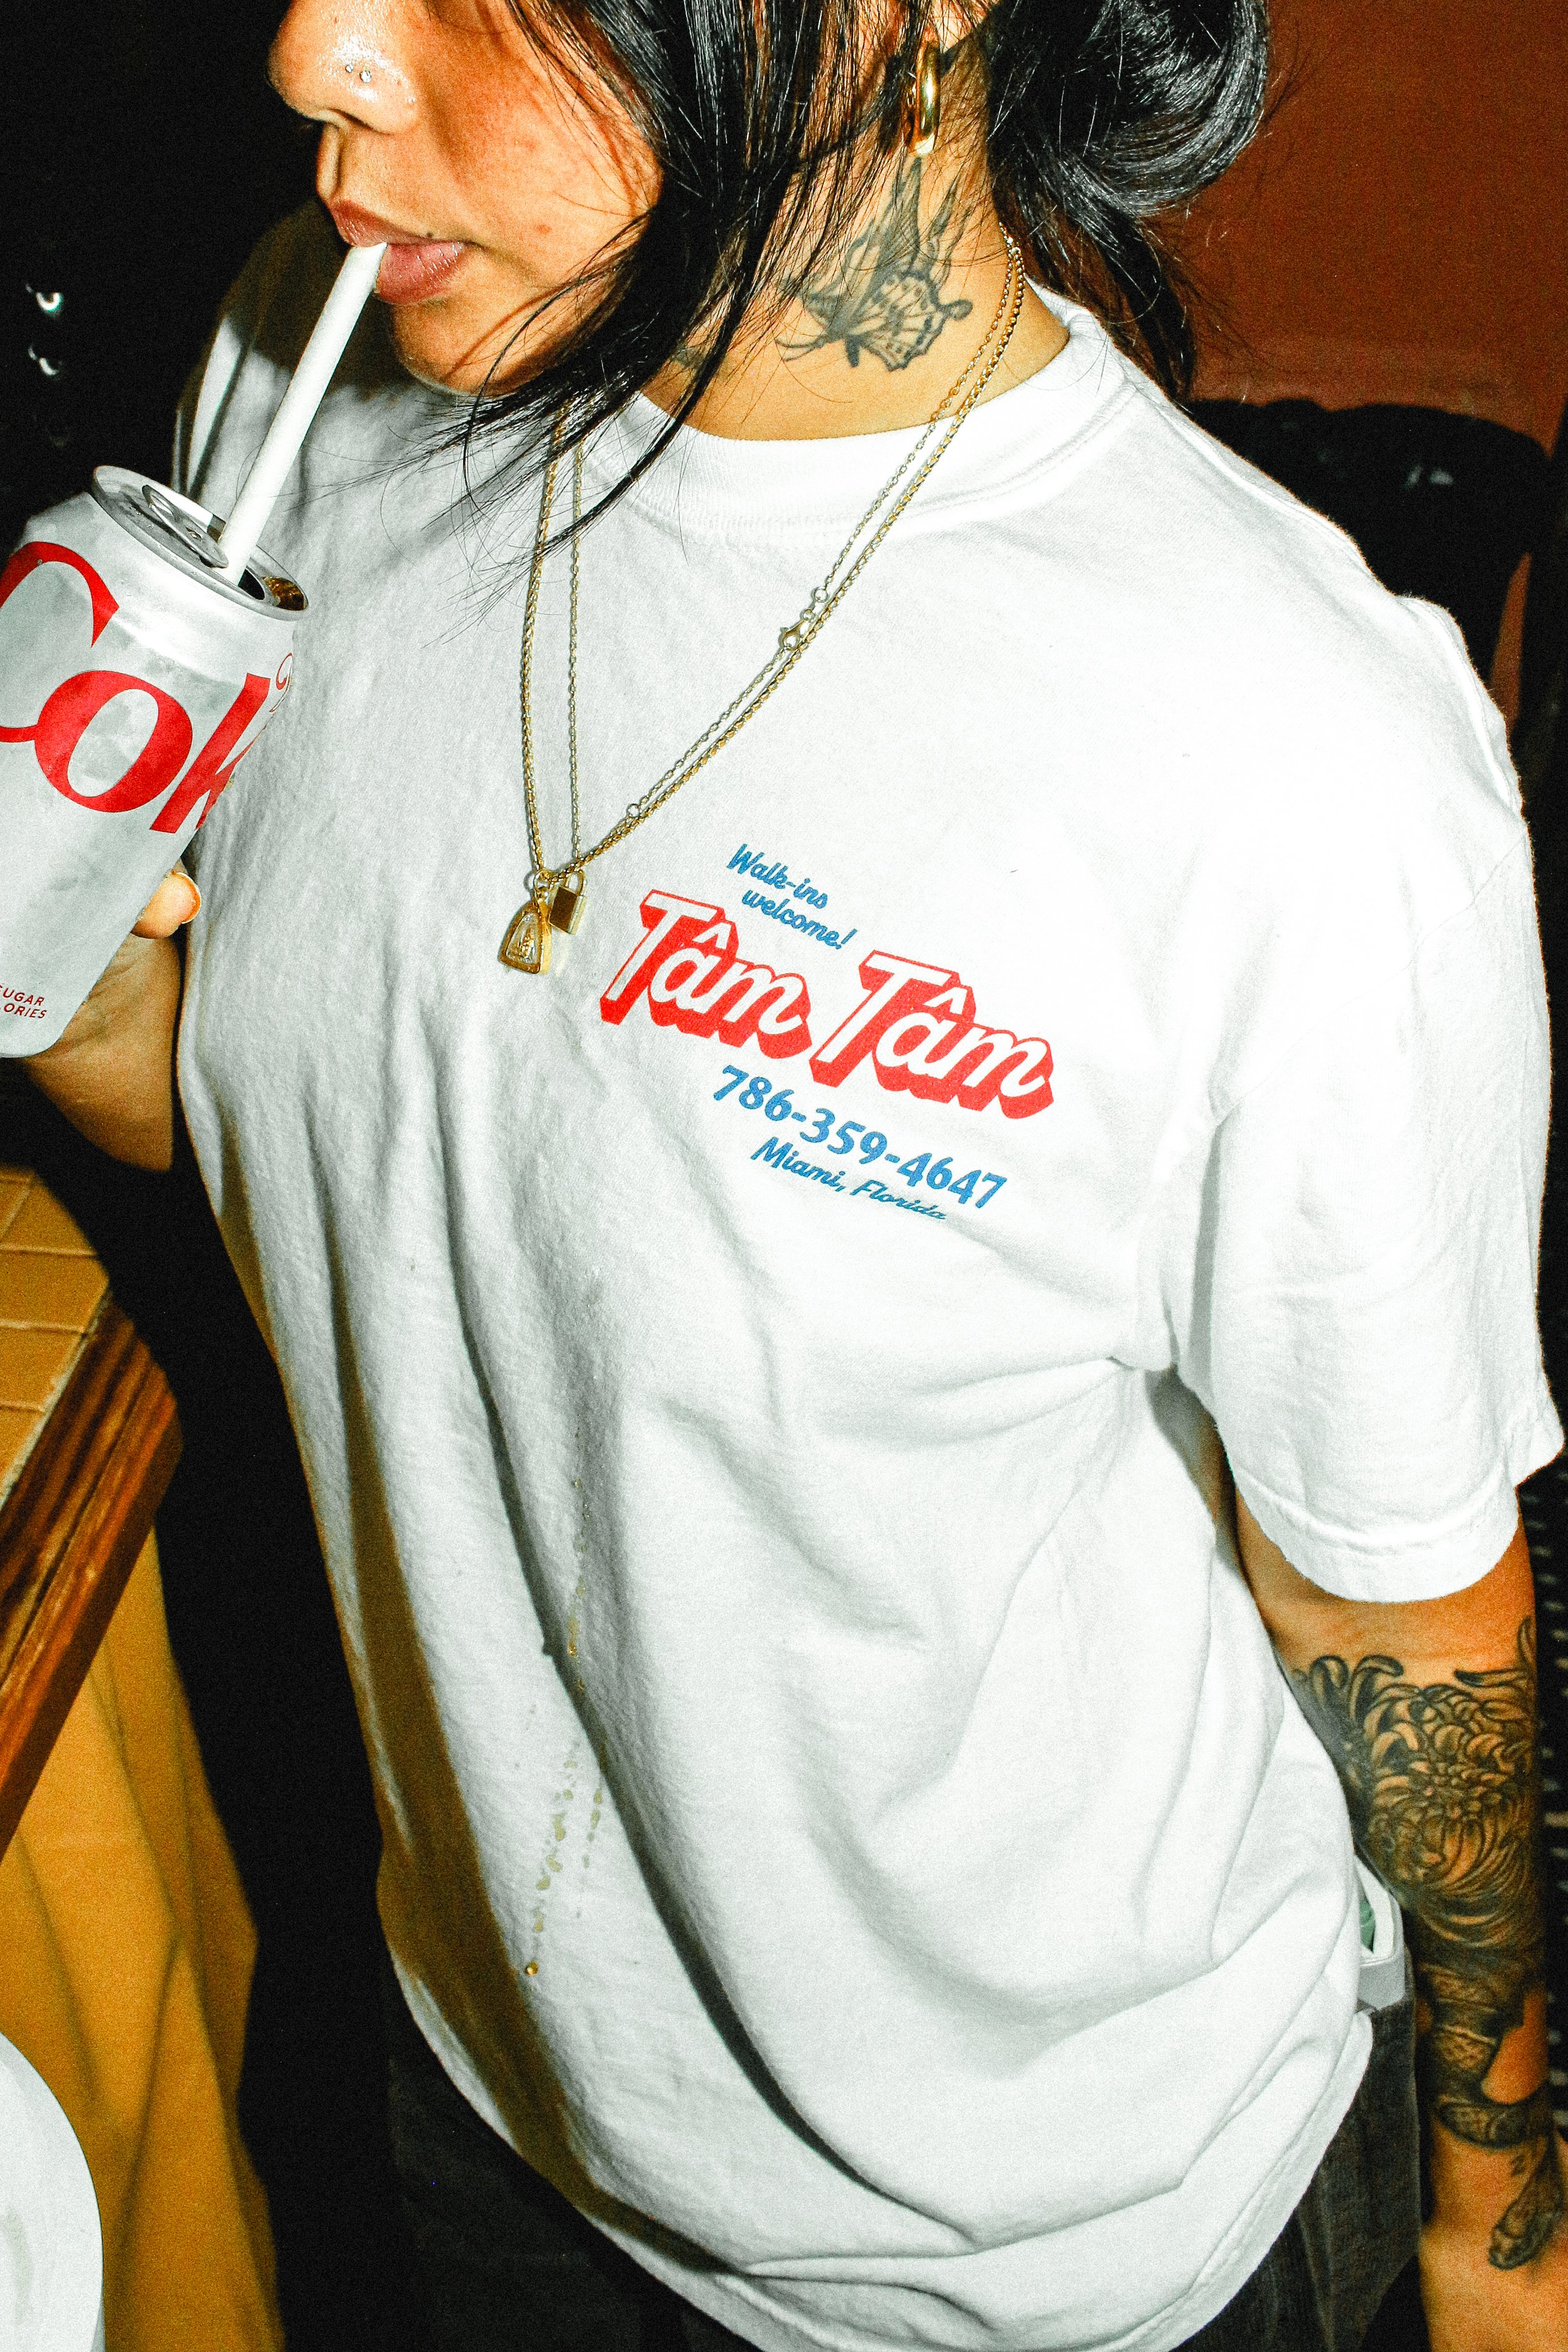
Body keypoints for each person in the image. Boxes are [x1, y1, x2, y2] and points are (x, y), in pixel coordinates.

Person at [22, 0, 1568, 2344]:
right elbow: (315, 1164)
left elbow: (1398, 1617)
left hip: (1068, 2248)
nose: (316, 50)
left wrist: (1498, 2227)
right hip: (494, 2095)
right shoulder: (301, 376)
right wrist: (67, 988)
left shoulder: (1290, 773)